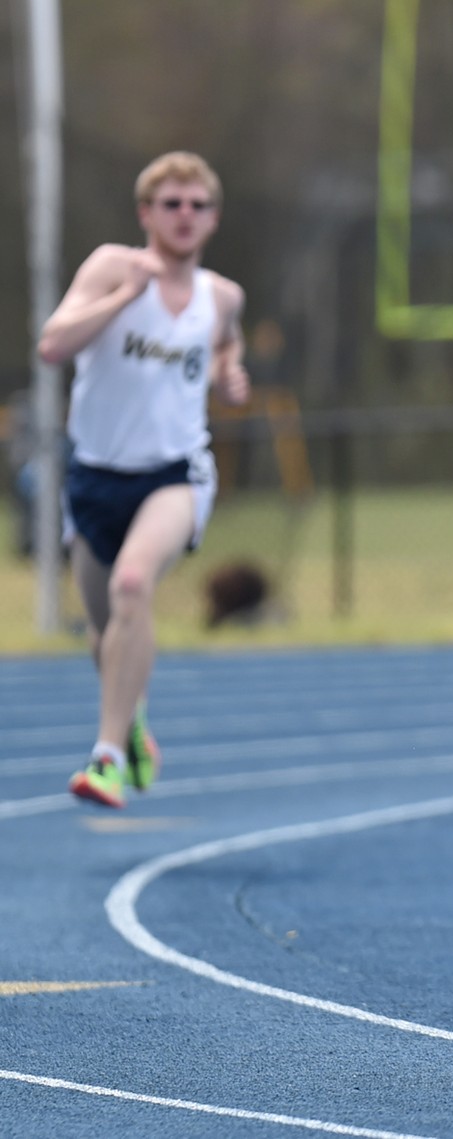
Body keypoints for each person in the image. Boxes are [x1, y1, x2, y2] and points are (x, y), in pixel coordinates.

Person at [37, 151, 249, 806]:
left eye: (197, 205)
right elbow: (53, 345)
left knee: (132, 585)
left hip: (175, 473)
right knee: (106, 636)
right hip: (96, 476)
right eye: (171, 204)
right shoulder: (112, 267)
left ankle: (105, 759)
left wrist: (230, 373)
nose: (185, 215)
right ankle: (133, 724)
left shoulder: (221, 296)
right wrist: (125, 296)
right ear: (146, 214)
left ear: (214, 219)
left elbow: (226, 340)